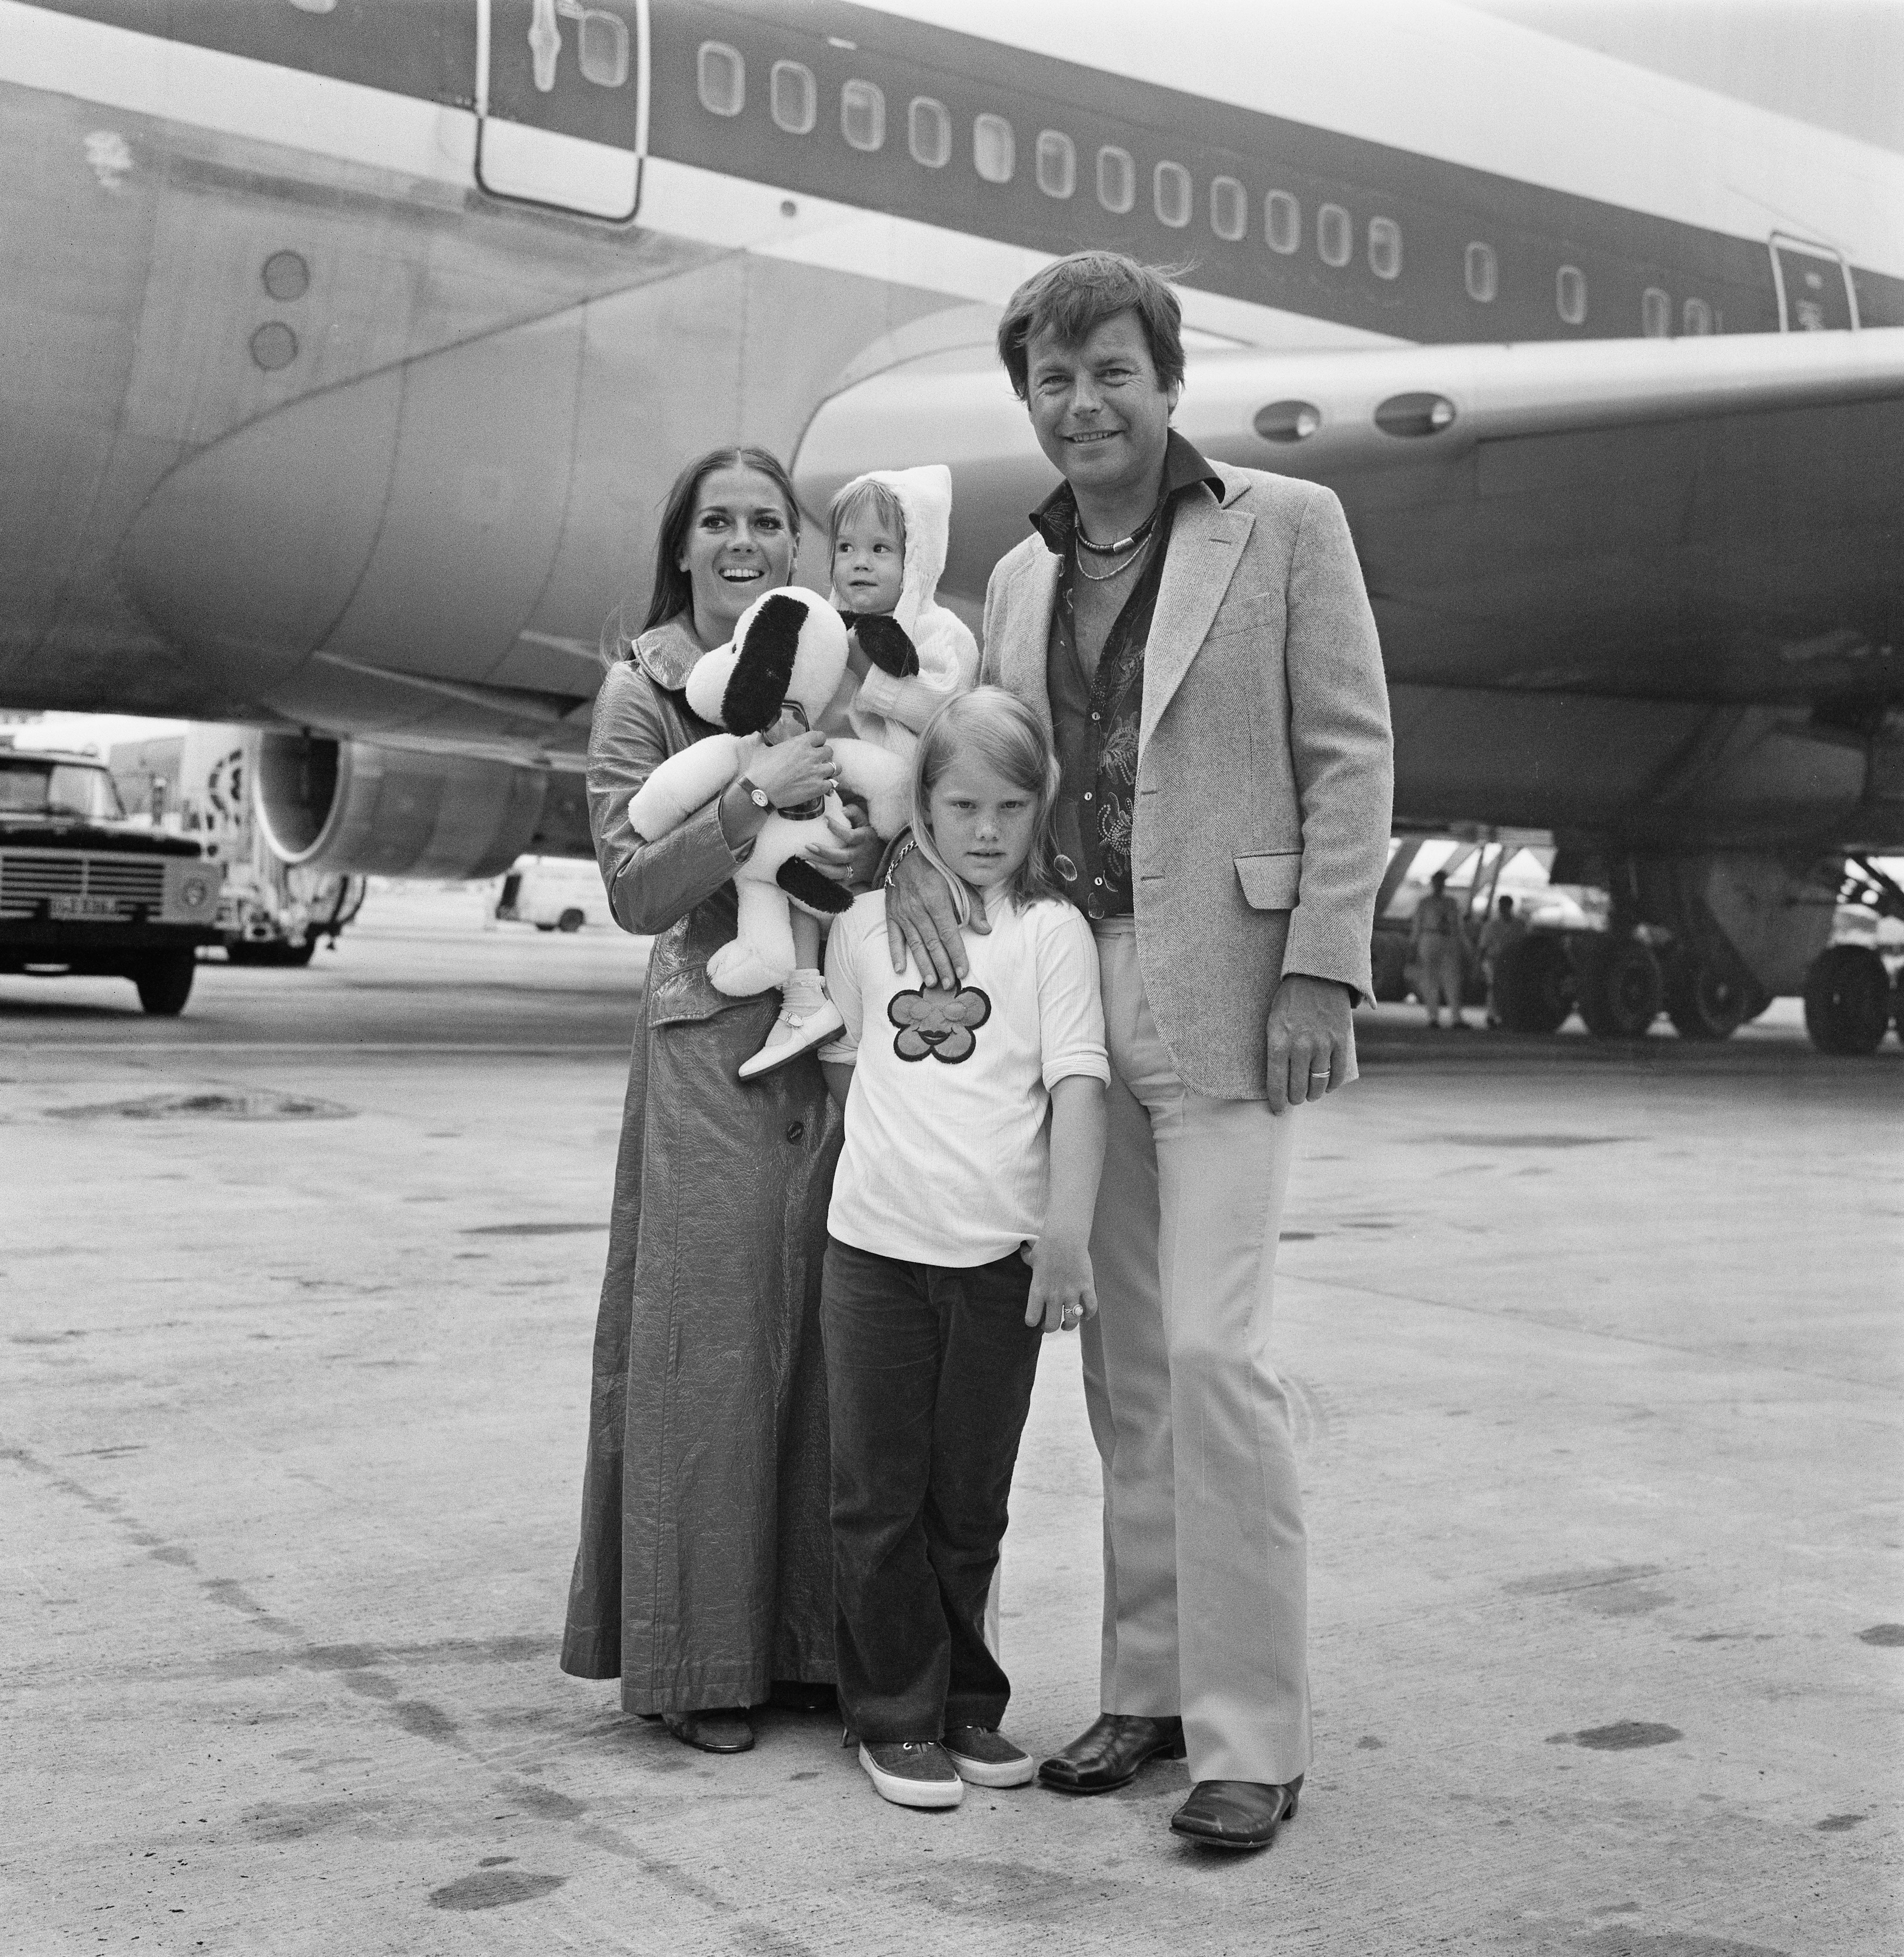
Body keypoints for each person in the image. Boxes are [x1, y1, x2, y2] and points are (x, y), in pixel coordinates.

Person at [886, 252, 1393, 1851]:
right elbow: (994, 787)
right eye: (1051, 378)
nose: (1082, 402)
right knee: (1122, 1373)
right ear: (1026, 399)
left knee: (1217, 1363)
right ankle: (1150, 1691)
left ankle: (1254, 1736)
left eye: (1111, 370)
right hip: (1077, 999)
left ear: (1168, 381)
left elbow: (1347, 755)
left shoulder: (1285, 527)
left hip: (1236, 987)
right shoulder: (1026, 582)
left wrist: (1323, 971)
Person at [560, 446, 882, 1755]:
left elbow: (883, 824)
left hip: (836, 1040)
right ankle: (694, 1665)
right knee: (705, 1356)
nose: (742, 541)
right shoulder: (641, 690)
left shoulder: (835, 674)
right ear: (681, 545)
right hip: (707, 1039)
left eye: (765, 522)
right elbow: (634, 889)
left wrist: (859, 836)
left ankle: (805, 1647)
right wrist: (753, 796)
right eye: (718, 522)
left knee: (826, 1348)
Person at [816, 687, 1108, 1811]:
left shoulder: (1051, 938)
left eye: (1009, 806)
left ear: (1039, 811)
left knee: (968, 1501)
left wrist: (1066, 1236)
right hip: (875, 1263)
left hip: (1000, 1267)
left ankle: (964, 1708)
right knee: (875, 1499)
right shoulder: (864, 931)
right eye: (958, 805)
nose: (984, 830)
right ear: (921, 810)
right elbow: (847, 1073)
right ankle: (890, 1718)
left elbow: (1075, 1083)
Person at [738, 465, 979, 1080]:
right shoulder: (823, 625)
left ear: (917, 560)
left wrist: (870, 678)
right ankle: (803, 995)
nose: (859, 564)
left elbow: (950, 716)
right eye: (845, 548)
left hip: (910, 820)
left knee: (887, 976)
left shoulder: (939, 633)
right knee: (793, 872)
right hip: (836, 797)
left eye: (880, 550)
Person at [1410, 869, 1469, 1029]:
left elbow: (1458, 927)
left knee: (1452, 980)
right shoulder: (1425, 903)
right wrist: (1414, 946)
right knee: (1430, 980)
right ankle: (1433, 1017)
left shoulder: (1451, 903)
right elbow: (1417, 926)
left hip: (1447, 939)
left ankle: (1457, 1018)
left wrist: (1462, 946)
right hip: (1429, 938)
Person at [1477, 892, 1526, 1027]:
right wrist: (1479, 964)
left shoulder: (1519, 925)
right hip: (1494, 960)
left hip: (1512, 961)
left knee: (1510, 989)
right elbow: (1483, 947)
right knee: (1494, 987)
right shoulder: (1492, 926)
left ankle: (1506, 1016)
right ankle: (1492, 1016)